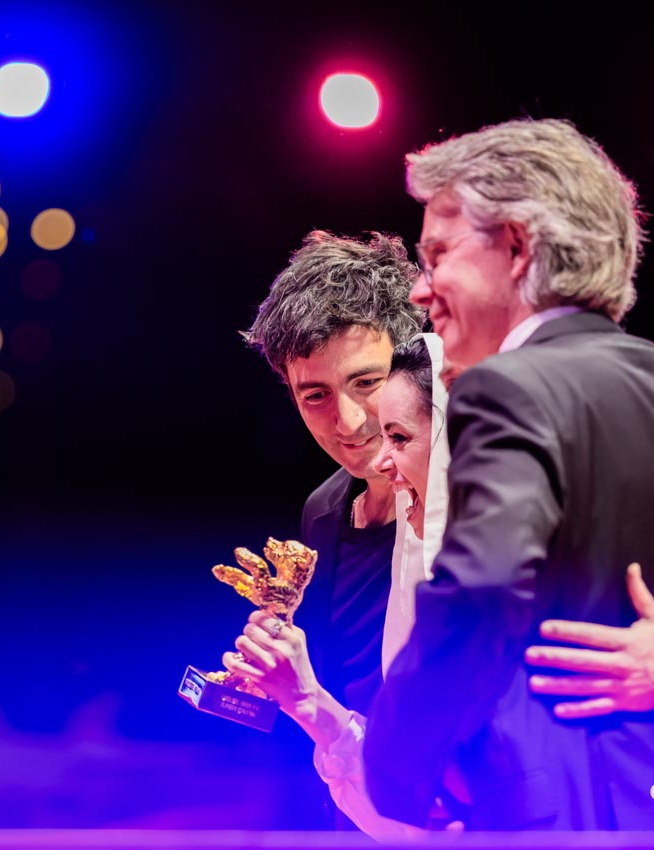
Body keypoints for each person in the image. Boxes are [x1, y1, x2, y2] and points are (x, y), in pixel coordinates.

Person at [362, 117, 654, 830]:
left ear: (515, 246)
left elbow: (478, 593)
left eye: (436, 253)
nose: (420, 289)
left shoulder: (506, 387)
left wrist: (391, 773)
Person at [240, 229, 424, 831]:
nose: (346, 421)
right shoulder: (323, 509)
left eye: (366, 383)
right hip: (355, 814)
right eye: (314, 394)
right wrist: (278, 671)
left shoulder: (468, 499)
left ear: (413, 362)